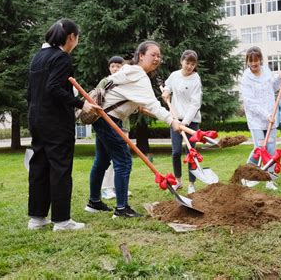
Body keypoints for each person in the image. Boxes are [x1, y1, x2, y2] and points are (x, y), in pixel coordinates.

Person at [85, 41, 181, 218]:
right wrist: (172, 121)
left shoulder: (130, 71)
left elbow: (139, 103)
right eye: (153, 54)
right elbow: (152, 104)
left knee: (102, 160)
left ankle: (94, 202)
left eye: (159, 56)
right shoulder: (139, 75)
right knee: (123, 161)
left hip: (103, 116)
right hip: (109, 119)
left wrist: (169, 117)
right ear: (141, 56)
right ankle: (121, 209)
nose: (157, 59)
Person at [27, 18, 101, 231]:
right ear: (71, 37)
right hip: (56, 122)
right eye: (77, 38)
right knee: (60, 168)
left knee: (39, 166)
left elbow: (30, 92)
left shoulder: (38, 57)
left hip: (36, 118)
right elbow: (53, 88)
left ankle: (37, 218)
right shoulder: (62, 58)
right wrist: (81, 104)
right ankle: (61, 220)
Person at [240, 46, 281, 190]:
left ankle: (269, 179)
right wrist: (266, 115)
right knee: (259, 148)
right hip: (257, 119)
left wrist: (279, 79)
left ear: (260, 60)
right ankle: (245, 175)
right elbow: (250, 102)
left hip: (271, 117)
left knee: (270, 149)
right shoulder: (246, 78)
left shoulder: (266, 71)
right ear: (247, 61)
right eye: (250, 61)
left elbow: (274, 88)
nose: (253, 64)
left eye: (256, 61)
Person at [90, 56, 131, 200]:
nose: (115, 69)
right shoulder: (106, 81)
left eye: (118, 66)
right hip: (106, 122)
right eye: (112, 66)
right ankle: (106, 188)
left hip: (122, 124)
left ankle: (117, 187)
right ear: (109, 68)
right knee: (117, 158)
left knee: (114, 159)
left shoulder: (124, 83)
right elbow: (99, 100)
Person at [162, 50, 202, 194]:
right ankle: (178, 181)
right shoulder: (174, 75)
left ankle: (191, 183)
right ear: (181, 61)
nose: (189, 66)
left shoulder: (195, 80)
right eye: (187, 63)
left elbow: (195, 104)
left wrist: (184, 123)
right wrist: (166, 91)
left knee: (191, 152)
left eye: (192, 64)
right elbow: (168, 85)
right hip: (175, 119)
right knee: (176, 151)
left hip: (191, 121)